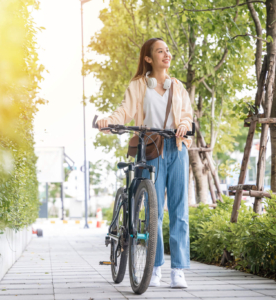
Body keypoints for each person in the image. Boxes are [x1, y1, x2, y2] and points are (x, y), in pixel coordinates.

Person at [96, 38, 193, 288]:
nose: (166, 54)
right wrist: (108, 120)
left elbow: (187, 115)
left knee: (180, 212)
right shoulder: (140, 85)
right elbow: (124, 111)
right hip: (152, 146)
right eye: (160, 51)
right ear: (148, 58)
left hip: (177, 147)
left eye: (168, 50)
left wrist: (184, 124)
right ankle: (156, 266)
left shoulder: (178, 87)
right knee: (154, 213)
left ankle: (178, 270)